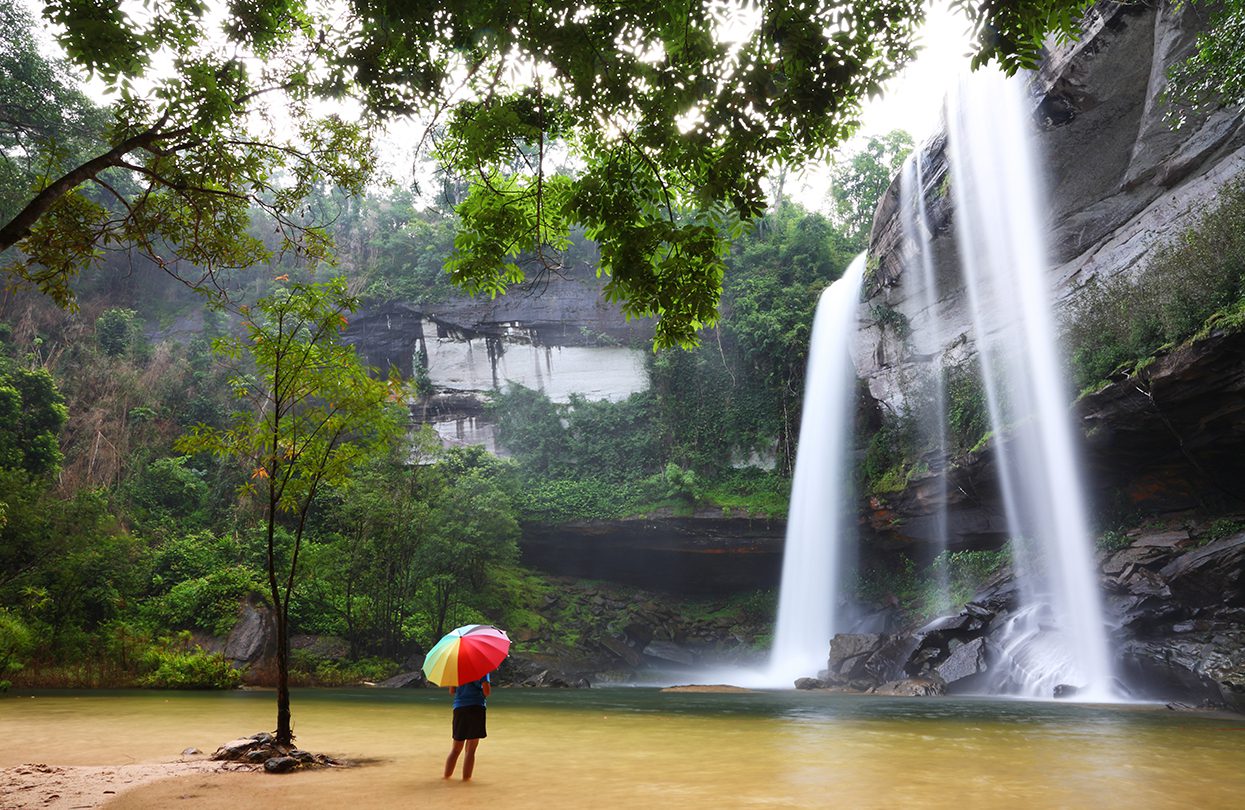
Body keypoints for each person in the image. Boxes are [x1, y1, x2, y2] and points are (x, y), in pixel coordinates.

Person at [444, 672, 491, 780]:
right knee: (470, 750)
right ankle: (466, 781)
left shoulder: (456, 668)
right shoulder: (482, 669)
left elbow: (451, 691)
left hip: (459, 708)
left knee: (455, 749)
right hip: (476, 708)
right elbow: (487, 691)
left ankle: (446, 778)